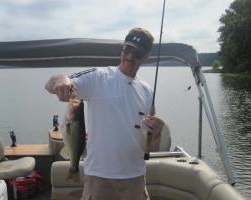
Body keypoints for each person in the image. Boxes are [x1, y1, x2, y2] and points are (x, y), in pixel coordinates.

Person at [45, 27, 164, 200]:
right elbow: (52, 84)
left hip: (135, 177)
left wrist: (156, 132)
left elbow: (148, 142)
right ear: (122, 49)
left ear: (146, 57)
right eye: (127, 49)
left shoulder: (147, 90)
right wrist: (61, 81)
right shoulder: (98, 77)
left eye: (137, 53)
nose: (130, 56)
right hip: (99, 177)